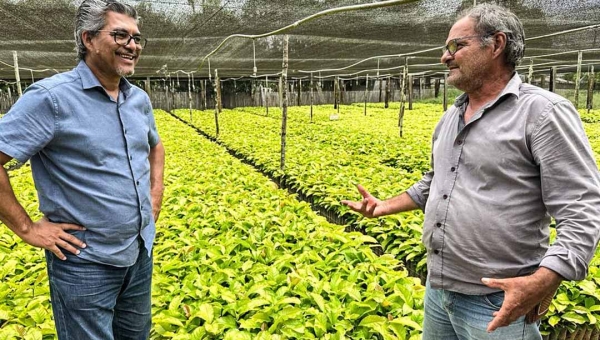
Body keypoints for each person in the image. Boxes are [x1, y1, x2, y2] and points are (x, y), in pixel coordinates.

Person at [342, 3, 600, 340]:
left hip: (496, 301)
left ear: (496, 45)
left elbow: (582, 208)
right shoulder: (451, 116)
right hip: (439, 289)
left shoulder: (543, 113)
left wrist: (545, 279)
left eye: (456, 46)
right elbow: (436, 182)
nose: (444, 57)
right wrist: (383, 207)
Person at [0, 0, 164, 339]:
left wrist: (154, 196)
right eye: (120, 35)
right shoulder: (51, 98)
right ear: (88, 39)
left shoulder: (138, 99)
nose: (132, 46)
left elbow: (154, 146)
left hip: (138, 253)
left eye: (136, 38)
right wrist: (28, 229)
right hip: (84, 263)